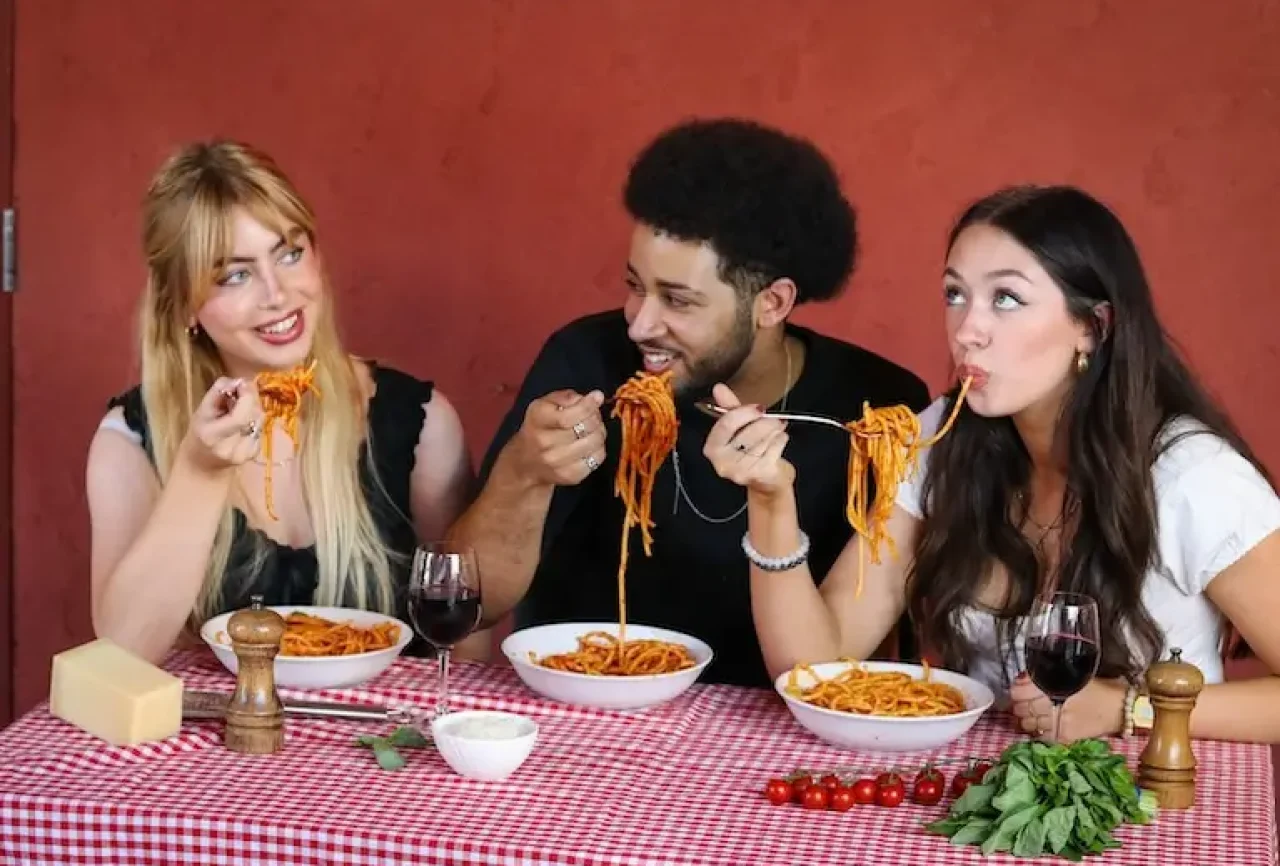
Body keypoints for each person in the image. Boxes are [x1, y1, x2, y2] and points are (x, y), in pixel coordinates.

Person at [709, 184, 1280, 742]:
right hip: (976, 798)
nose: (967, 331)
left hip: (1161, 804)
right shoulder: (939, 438)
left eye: (1005, 299)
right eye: (955, 295)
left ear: (1092, 327)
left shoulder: (1194, 478)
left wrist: (1127, 708)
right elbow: (814, 665)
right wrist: (770, 501)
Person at [449, 118, 929, 687]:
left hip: (774, 728)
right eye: (634, 286)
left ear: (772, 303)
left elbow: (847, 652)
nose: (640, 323)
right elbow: (471, 601)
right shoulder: (585, 363)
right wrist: (524, 472)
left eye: (677, 300)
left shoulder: (876, 408)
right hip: (589, 706)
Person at [87, 141, 474, 663]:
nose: (278, 293)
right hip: (216, 740)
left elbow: (465, 646)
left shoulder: (422, 425)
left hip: (382, 739)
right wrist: (200, 473)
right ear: (183, 307)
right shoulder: (129, 441)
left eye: (290, 253)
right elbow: (121, 655)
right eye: (234, 275)